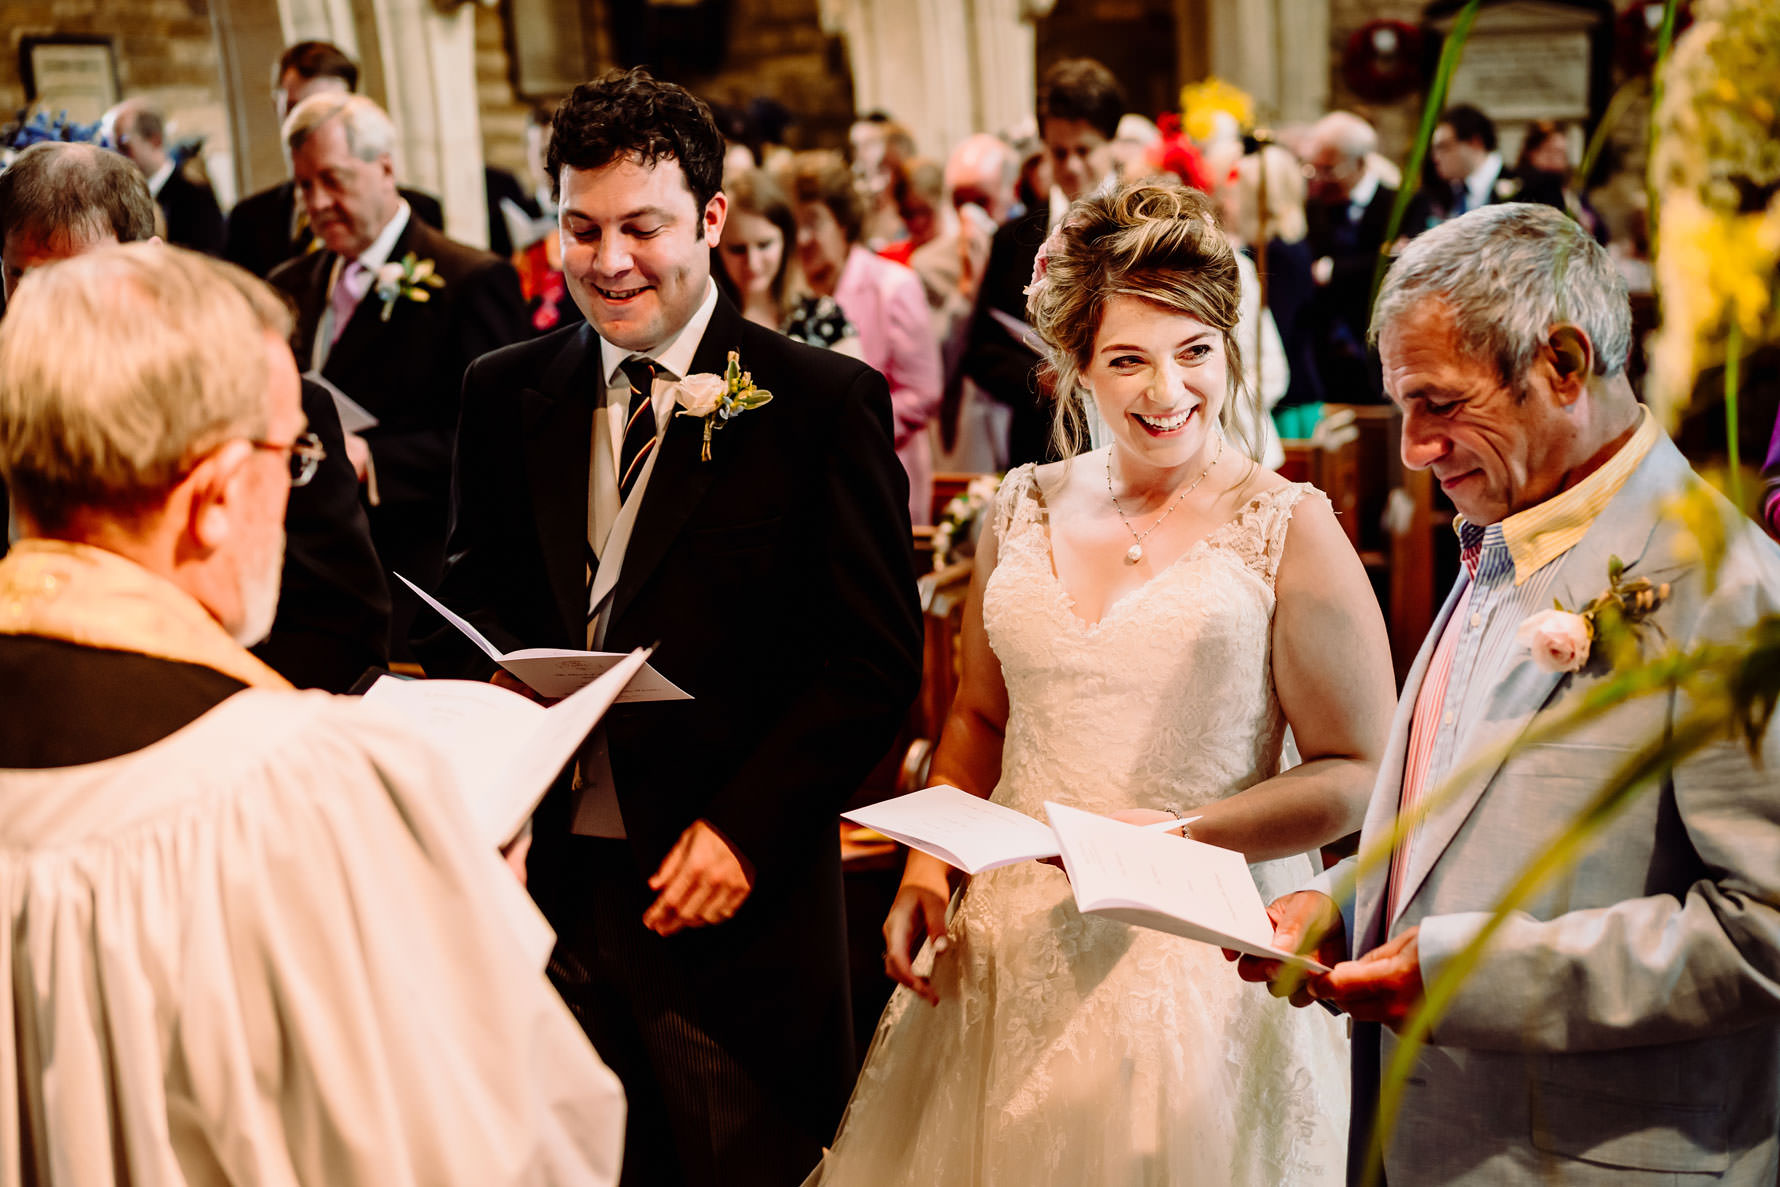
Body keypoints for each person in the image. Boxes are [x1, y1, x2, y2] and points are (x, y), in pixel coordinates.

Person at [0, 241, 624, 1185]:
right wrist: (476, 911)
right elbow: (494, 1142)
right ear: (210, 499)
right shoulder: (300, 790)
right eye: (290, 454)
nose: (297, 486)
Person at [811, 181, 1395, 1185]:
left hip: (1200, 947)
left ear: (1228, 349)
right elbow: (982, 712)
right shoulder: (1017, 510)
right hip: (1009, 949)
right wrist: (922, 871)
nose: (1166, 391)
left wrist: (1170, 839)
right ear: (1071, 364)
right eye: (1128, 358)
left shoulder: (1287, 524)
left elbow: (1358, 768)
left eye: (1194, 352)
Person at [413, 68, 923, 1187]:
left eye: (641, 227)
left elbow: (873, 661)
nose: (608, 262)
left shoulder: (815, 402)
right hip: (541, 892)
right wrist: (492, 705)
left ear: (711, 220)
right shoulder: (504, 391)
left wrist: (747, 829)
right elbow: (472, 599)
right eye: (579, 228)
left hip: (728, 907)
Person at [1240, 203, 1780, 1184]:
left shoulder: (1726, 590)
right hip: (1428, 1136)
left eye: (1439, 403)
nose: (1412, 446)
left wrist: (1460, 973)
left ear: (1564, 367)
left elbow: (1764, 928)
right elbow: (1452, 815)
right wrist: (1344, 900)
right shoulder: (1504, 525)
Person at [0, 140, 389, 691]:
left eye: (81, 279)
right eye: (24, 279)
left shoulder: (267, 399)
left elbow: (343, 624)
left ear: (152, 258)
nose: (48, 313)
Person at [268, 92, 529, 661]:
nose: (316, 203)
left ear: (385, 168)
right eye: (304, 186)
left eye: (332, 180)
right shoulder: (287, 284)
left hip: (416, 570)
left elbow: (501, 440)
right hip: (308, 572)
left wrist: (372, 459)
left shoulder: (471, 280)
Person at [964, 58, 1124, 467]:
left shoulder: (1141, 226)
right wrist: (1036, 379)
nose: (1071, 166)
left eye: (1084, 150)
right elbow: (982, 349)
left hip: (1125, 436)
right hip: (1040, 442)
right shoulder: (1013, 237)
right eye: (1059, 152)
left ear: (1111, 143)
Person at [788, 150, 944, 524]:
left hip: (883, 474)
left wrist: (848, 429)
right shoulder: (787, 293)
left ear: (842, 223)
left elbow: (923, 392)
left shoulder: (893, 285)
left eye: (814, 222)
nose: (803, 238)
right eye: (794, 225)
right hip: (806, 485)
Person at [222, 41, 444, 279]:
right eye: (296, 109)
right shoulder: (249, 218)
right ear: (276, 106)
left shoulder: (419, 211)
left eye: (328, 110)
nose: (309, 126)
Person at [714, 165, 862, 356]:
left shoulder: (823, 317)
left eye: (764, 245)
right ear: (715, 247)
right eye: (737, 249)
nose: (753, 263)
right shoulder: (705, 325)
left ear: (786, 240)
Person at [1302, 111, 1396, 401]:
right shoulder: (1315, 206)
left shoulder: (1399, 206)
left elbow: (1390, 266)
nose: (1320, 179)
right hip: (1327, 356)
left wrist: (1331, 271)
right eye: (1313, 169)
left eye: (1329, 169)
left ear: (1359, 163)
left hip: (1378, 349)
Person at [1406, 104, 1564, 233]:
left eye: (1444, 147)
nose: (1435, 157)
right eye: (1434, 149)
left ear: (1475, 143)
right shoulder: (1431, 196)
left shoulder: (1536, 187)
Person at [104, 98, 225, 255]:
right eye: (110, 146)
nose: (116, 156)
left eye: (123, 145)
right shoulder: (122, 197)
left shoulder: (194, 195)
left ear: (155, 140)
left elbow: (207, 259)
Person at [1515, 118, 1607, 244]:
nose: (1559, 160)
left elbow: (1602, 232)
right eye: (1553, 152)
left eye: (1563, 154)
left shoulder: (1571, 191)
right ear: (1533, 153)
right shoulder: (1524, 188)